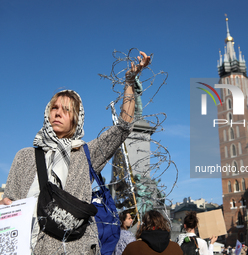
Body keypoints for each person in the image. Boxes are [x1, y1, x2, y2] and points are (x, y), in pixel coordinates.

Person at [0, 51, 150, 254]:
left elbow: (123, 127)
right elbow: (9, 201)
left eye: (66, 109)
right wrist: (6, 207)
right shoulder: (25, 156)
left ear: (76, 118)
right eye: (54, 107)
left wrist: (129, 82)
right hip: (29, 247)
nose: (58, 112)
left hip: (73, 248)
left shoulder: (85, 153)